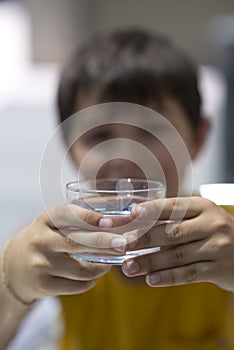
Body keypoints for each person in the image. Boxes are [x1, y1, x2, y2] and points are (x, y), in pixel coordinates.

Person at [1, 28, 234, 350]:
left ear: (198, 137)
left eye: (151, 129)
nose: (126, 153)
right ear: (70, 149)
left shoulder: (226, 237)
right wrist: (12, 284)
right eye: (99, 136)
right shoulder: (52, 249)